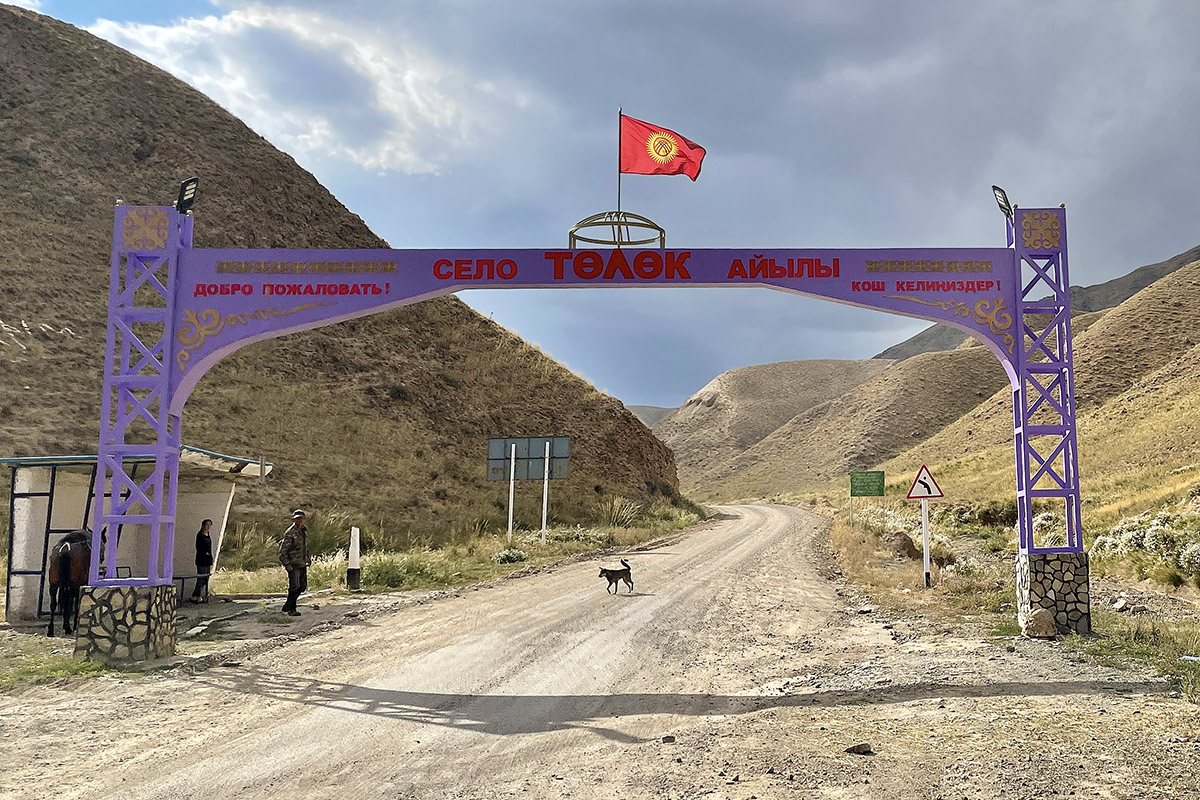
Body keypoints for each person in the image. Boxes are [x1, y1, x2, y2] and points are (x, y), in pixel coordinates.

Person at [279, 509, 310, 616]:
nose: (299, 520)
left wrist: (307, 557)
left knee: (302, 587)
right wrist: (287, 564)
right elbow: (283, 551)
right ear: (294, 519)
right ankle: (292, 609)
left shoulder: (303, 531)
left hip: (301, 562)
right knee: (294, 587)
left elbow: (305, 546)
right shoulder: (290, 533)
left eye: (301, 518)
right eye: (297, 519)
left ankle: (287, 605)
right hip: (293, 564)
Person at [190, 518, 214, 603]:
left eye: (210, 525)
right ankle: (196, 595)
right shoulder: (200, 535)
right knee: (201, 577)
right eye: (207, 525)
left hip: (207, 559)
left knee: (205, 578)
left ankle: (199, 594)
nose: (208, 526)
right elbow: (199, 547)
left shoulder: (208, 535)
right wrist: (204, 553)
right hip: (202, 559)